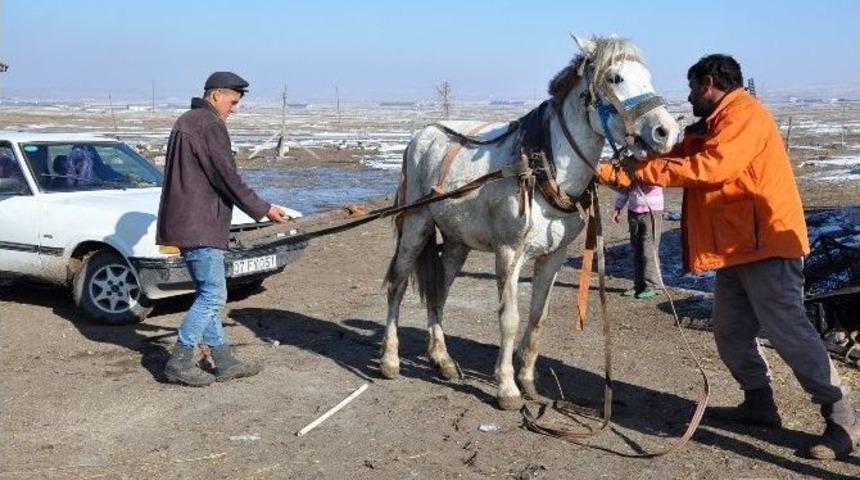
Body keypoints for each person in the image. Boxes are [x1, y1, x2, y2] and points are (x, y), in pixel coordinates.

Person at [597, 54, 858, 459]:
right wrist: (615, 171)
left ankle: (842, 419)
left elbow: (710, 167)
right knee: (730, 331)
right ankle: (759, 403)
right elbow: (675, 157)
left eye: (690, 89)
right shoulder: (713, 123)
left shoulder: (744, 116)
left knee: (789, 332)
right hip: (737, 248)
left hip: (766, 245)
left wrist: (642, 173)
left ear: (706, 83)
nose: (688, 98)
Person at [157, 72, 290, 387]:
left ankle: (225, 361)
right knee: (214, 295)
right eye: (233, 101)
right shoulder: (209, 125)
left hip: (188, 221)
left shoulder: (187, 121)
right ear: (216, 95)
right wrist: (264, 208)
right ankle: (179, 360)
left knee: (208, 294)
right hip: (200, 223)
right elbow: (227, 177)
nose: (235, 108)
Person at [612, 185, 664, 299]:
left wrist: (638, 178)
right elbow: (624, 185)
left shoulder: (652, 167)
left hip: (652, 211)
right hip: (633, 211)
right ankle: (639, 284)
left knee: (649, 250)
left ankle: (654, 286)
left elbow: (653, 182)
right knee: (636, 249)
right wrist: (618, 207)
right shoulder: (629, 167)